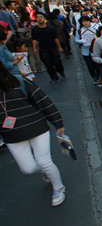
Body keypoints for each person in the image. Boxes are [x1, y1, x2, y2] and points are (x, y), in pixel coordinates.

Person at [0, 63, 67, 206]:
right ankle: (46, 172)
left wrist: (58, 122)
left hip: (37, 127)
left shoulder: (19, 82)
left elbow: (43, 100)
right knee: (27, 169)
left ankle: (59, 188)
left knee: (44, 161)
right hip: (12, 135)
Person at [32, 12, 65, 83]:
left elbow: (56, 38)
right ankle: (54, 77)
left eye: (41, 17)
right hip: (43, 49)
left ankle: (61, 71)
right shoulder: (35, 29)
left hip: (53, 48)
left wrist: (59, 47)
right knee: (48, 65)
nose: (39, 18)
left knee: (57, 63)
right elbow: (34, 39)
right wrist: (34, 48)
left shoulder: (51, 28)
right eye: (37, 17)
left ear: (45, 18)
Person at [74, 15, 98, 82]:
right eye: (83, 21)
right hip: (85, 51)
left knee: (97, 66)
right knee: (90, 66)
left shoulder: (95, 29)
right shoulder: (79, 30)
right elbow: (76, 40)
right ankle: (93, 77)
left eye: (87, 21)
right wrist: (80, 41)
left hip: (95, 50)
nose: (86, 23)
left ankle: (99, 78)